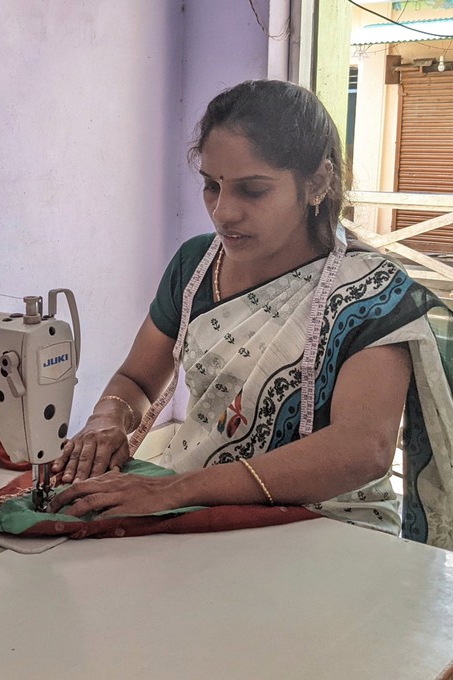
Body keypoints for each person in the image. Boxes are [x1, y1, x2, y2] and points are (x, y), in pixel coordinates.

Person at [49, 79, 453, 549]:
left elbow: (362, 450)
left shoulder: (370, 293)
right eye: (210, 186)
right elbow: (137, 382)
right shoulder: (197, 266)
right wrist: (107, 421)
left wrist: (175, 488)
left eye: (252, 190)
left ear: (318, 182)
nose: (223, 213)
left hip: (334, 529)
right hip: (196, 504)